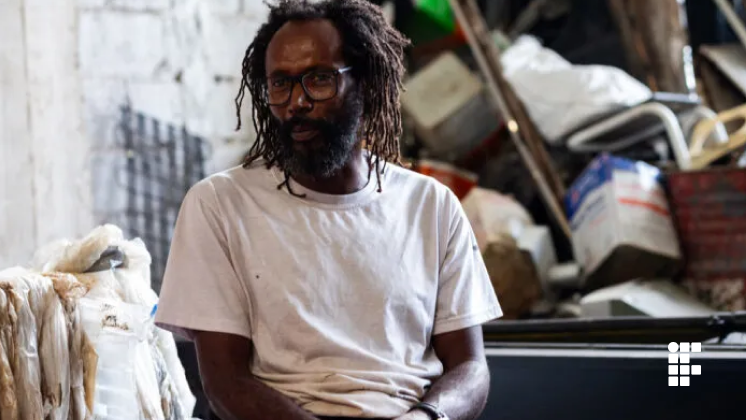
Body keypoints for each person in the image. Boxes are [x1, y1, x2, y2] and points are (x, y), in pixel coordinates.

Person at [155, 1, 502, 419]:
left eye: (319, 79)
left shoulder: (432, 206)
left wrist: (425, 417)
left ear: (366, 84)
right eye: (280, 84)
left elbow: (469, 367)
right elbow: (225, 383)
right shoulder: (219, 205)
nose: (296, 102)